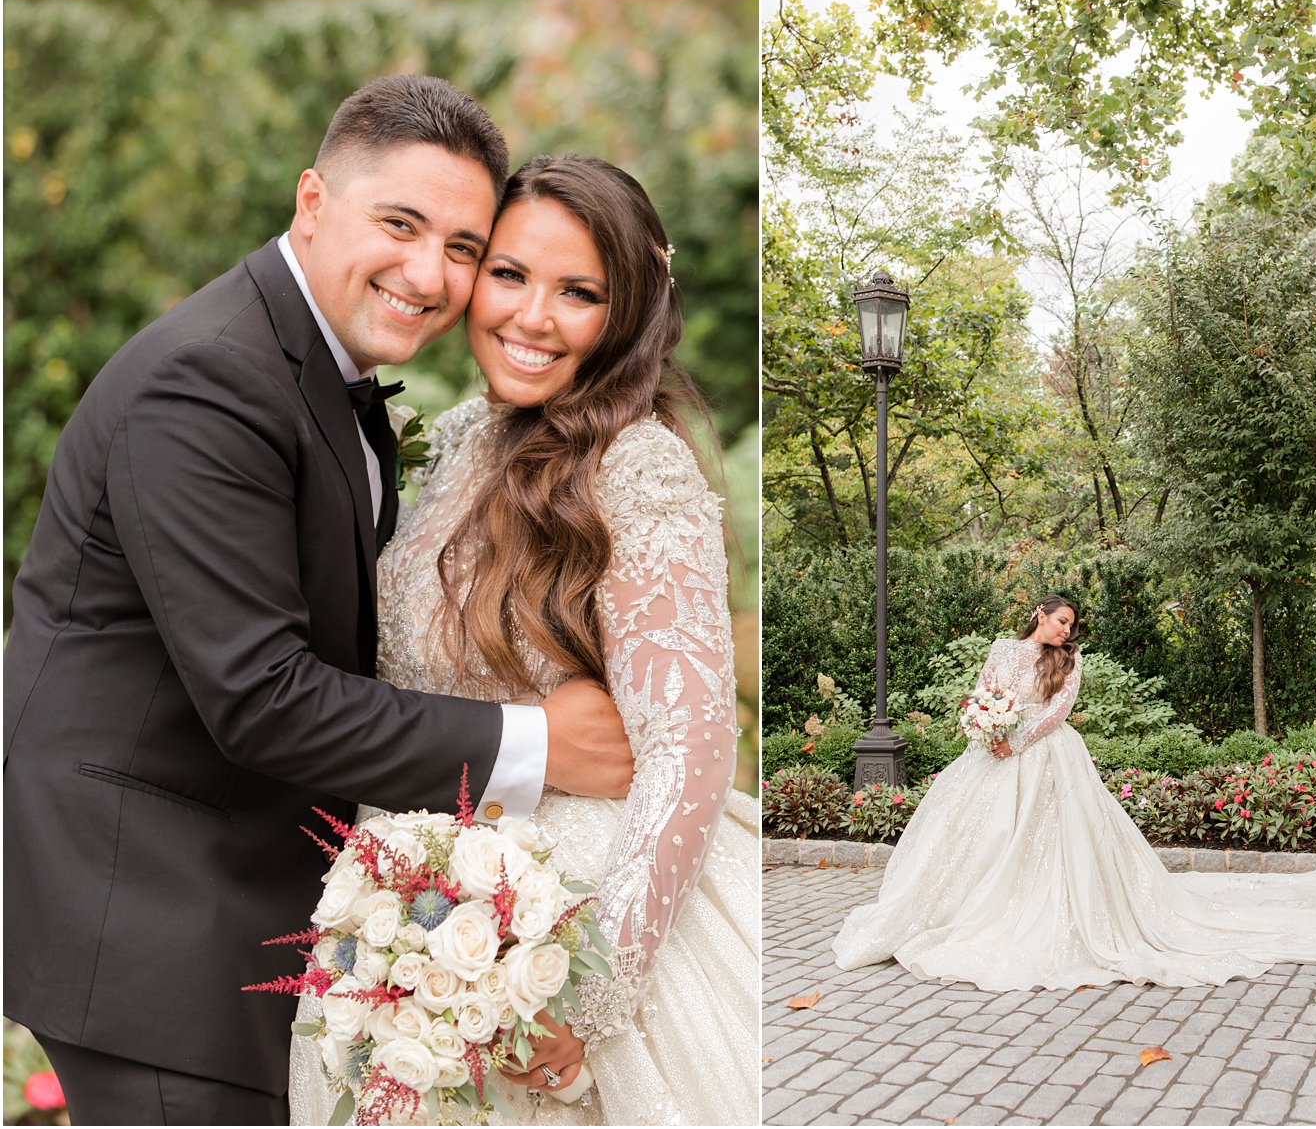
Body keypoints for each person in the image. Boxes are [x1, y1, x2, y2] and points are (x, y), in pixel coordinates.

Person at [3, 77, 638, 1126]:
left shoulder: (312, 364)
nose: (428, 272)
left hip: (234, 894)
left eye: (463, 247)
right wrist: (536, 743)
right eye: (400, 223)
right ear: (310, 201)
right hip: (152, 913)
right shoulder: (207, 382)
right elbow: (261, 693)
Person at [287, 153, 760, 1125]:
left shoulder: (635, 466)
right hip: (408, 922)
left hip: (567, 924)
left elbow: (690, 746)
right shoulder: (457, 437)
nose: (531, 316)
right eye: (508, 275)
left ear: (624, 311)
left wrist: (582, 992)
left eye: (577, 292)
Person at [833, 595, 1316, 990]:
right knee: (974, 839)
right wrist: (985, 729)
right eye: (1059, 620)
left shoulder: (1071, 663)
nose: (1067, 629)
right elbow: (981, 697)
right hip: (992, 757)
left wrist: (1018, 737)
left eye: (1072, 624)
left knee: (1050, 845)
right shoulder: (1002, 647)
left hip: (1045, 756)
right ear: (1037, 614)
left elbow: (1058, 712)